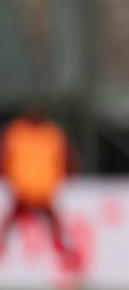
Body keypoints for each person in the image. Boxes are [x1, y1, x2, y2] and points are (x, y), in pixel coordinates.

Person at [0, 107, 80, 276]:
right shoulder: (17, 131)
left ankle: (67, 259)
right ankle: (67, 257)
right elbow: (5, 156)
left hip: (43, 191)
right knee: (9, 226)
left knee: (55, 227)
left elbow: (66, 157)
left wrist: (68, 173)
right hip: (23, 190)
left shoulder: (52, 133)